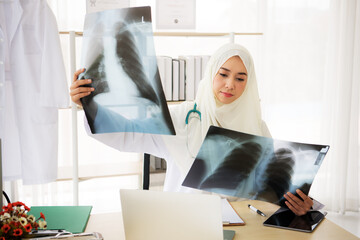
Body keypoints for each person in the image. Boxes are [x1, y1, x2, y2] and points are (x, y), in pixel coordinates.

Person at [70, 43, 314, 216]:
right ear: (211, 74)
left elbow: (273, 189)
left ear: (249, 84)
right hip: (185, 225)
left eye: (240, 78)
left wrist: (300, 204)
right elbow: (125, 134)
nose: (230, 84)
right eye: (223, 74)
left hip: (244, 224)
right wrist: (88, 104)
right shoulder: (182, 119)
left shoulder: (258, 127)